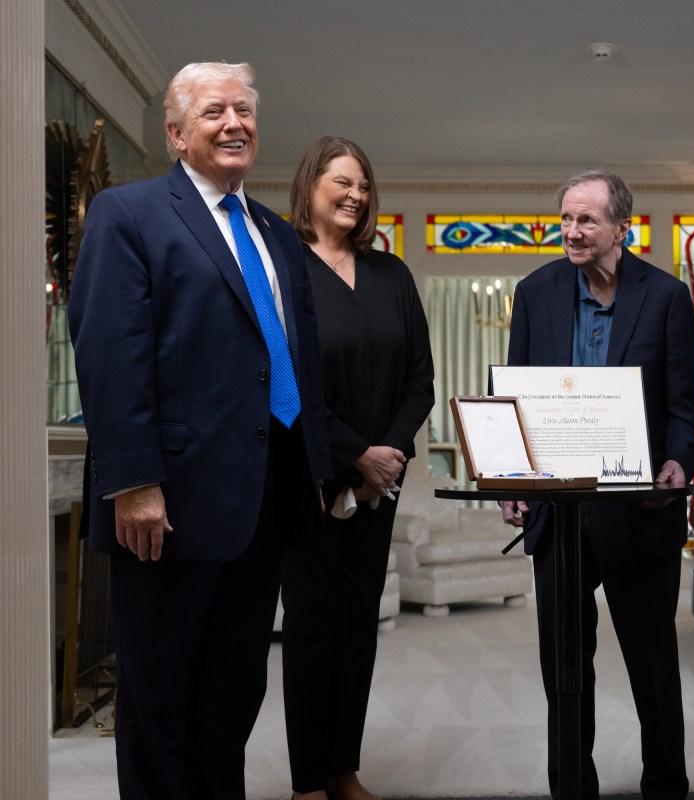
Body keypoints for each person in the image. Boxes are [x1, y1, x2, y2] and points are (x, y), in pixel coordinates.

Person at [68, 62, 331, 799]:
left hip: (264, 501)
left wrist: (312, 474)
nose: (235, 123)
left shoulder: (276, 234)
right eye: (215, 111)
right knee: (159, 701)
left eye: (244, 110)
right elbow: (110, 355)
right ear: (178, 134)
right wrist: (133, 480)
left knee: (232, 698)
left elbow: (295, 360)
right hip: (168, 504)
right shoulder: (130, 213)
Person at [499, 169, 694, 800]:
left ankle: (666, 785)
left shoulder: (666, 296)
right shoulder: (534, 292)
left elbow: (683, 408)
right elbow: (518, 398)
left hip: (641, 509)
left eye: (587, 219)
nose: (573, 231)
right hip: (557, 513)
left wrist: (680, 463)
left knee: (652, 662)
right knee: (563, 669)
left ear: (622, 226)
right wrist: (512, 475)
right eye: (566, 218)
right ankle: (570, 788)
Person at [282, 136, 435, 800]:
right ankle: (307, 781)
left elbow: (420, 379)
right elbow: (282, 382)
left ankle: (344, 768)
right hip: (310, 480)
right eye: (342, 181)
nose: (355, 195)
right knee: (312, 631)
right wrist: (354, 454)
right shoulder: (284, 269)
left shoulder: (391, 274)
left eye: (364, 185)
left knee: (357, 631)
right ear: (310, 186)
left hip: (378, 488)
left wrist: (388, 455)